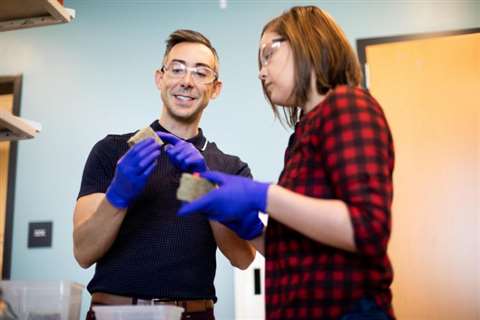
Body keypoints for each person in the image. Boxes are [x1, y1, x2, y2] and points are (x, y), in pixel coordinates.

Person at [173, 6, 396, 320]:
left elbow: (367, 229)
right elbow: (299, 254)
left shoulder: (348, 105)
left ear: (308, 43)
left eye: (268, 54)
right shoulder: (303, 134)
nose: (261, 72)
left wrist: (262, 195)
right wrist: (250, 229)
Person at [73, 29, 256, 320]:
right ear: (160, 78)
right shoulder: (113, 150)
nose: (186, 81)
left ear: (216, 88)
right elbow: (83, 252)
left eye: (200, 72)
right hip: (114, 313)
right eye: (177, 69)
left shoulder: (230, 168)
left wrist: (205, 188)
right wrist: (118, 195)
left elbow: (243, 258)